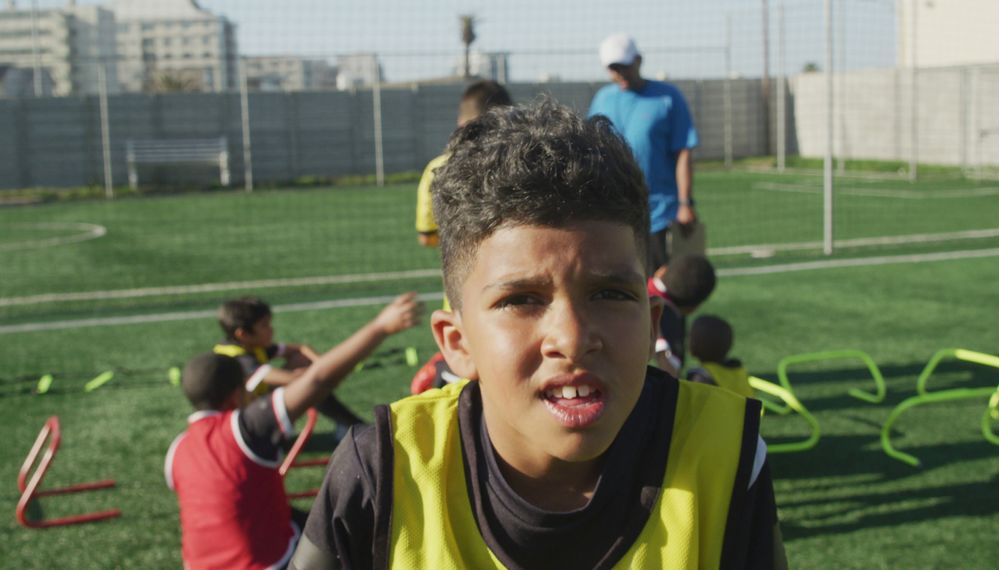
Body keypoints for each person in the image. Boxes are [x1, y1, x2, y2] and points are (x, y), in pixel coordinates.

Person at [291, 100, 785, 569]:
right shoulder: (382, 473)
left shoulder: (727, 455)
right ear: (457, 344)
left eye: (611, 295)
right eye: (520, 300)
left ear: (652, 324)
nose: (571, 338)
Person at [166, 293, 420, 570]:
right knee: (356, 540)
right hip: (268, 564)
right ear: (234, 398)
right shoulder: (244, 429)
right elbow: (318, 380)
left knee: (314, 522)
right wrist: (381, 327)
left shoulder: (176, 450)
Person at [411, 79, 513, 394]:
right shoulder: (521, 165)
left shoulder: (436, 170)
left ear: (461, 122)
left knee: (466, 396)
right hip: (518, 297)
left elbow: (427, 237)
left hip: (463, 302)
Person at [588, 33, 699, 273]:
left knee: (664, 290)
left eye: (624, 66)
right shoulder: (601, 100)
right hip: (615, 214)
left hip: (660, 214)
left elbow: (683, 153)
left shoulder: (668, 98)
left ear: (638, 60)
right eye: (613, 68)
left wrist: (684, 203)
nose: (619, 74)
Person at [214, 296, 363, 438]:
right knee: (310, 385)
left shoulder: (249, 345)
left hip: (255, 407)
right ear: (243, 334)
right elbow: (293, 380)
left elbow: (301, 349)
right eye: (264, 325)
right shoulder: (239, 359)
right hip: (245, 427)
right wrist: (326, 372)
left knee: (301, 362)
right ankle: (354, 426)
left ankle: (348, 424)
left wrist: (320, 362)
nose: (271, 329)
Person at [648, 253, 716, 377]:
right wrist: (662, 349)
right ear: (692, 309)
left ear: (663, 270)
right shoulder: (667, 322)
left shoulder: (638, 278)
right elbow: (671, 376)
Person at [686, 315, 754, 398]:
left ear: (697, 344)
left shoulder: (702, 377)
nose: (687, 339)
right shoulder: (737, 369)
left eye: (690, 336)